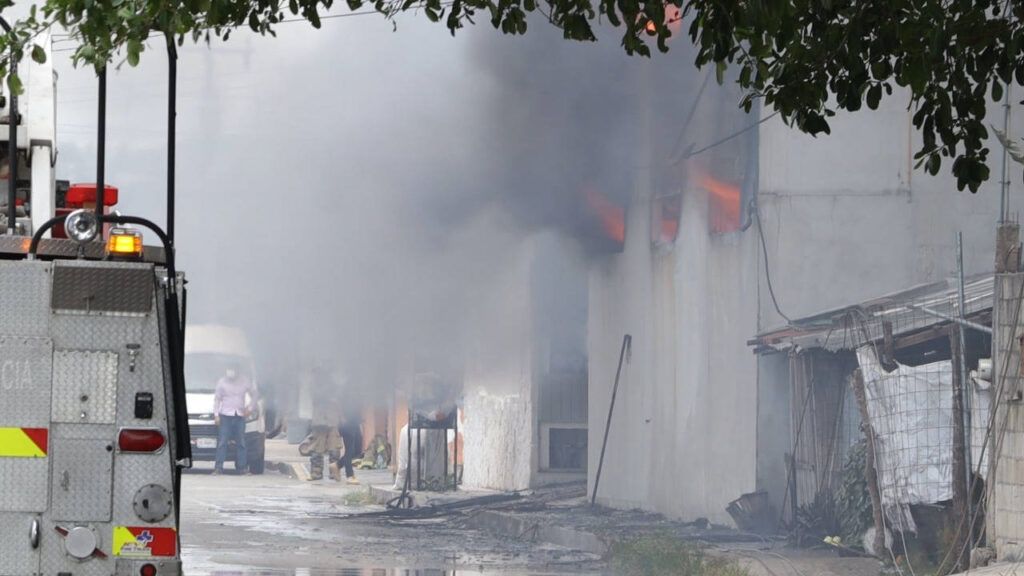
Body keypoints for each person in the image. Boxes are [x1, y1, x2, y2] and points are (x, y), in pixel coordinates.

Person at [212, 365, 258, 475]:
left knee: (241, 442)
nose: (230, 372)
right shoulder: (222, 382)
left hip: (240, 416)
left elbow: (255, 394)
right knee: (222, 442)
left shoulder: (244, 381)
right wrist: (216, 415)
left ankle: (241, 468)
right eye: (229, 370)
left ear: (237, 371)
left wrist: (250, 408)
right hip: (225, 416)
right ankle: (218, 468)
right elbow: (217, 399)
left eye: (232, 370)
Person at [336, 417, 362, 485]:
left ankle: (338, 465)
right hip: (347, 421)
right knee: (350, 450)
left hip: (355, 422)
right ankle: (349, 475)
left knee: (357, 450)